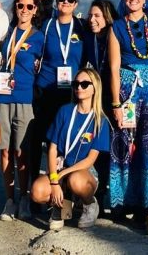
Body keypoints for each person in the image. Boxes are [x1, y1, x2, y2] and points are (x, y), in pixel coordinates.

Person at [108, 0, 148, 234]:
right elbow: (113, 67)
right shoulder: (117, 27)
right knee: (124, 143)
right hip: (127, 88)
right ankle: (123, 203)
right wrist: (116, 104)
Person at [30, 68, 110, 230]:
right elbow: (52, 149)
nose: (79, 87)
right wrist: (54, 180)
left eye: (85, 84)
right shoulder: (65, 111)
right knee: (37, 191)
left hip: (84, 172)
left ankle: (89, 203)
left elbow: (90, 160)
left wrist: (63, 174)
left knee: (75, 180)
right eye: (76, 84)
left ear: (95, 88)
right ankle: (62, 204)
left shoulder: (100, 121)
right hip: (61, 167)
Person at [28, 0, 86, 182]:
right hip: (45, 89)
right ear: (56, 1)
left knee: (65, 139)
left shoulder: (81, 27)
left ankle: (63, 185)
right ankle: (34, 185)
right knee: (38, 138)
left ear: (76, 4)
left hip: (71, 92)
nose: (65, 2)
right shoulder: (47, 25)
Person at [0, 0, 44, 221]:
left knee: (21, 151)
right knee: (5, 150)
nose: (24, 10)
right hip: (2, 97)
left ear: (35, 10)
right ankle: (9, 200)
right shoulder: (6, 33)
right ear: (15, 7)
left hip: (25, 98)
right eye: (20, 6)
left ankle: (24, 196)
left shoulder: (39, 37)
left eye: (29, 6)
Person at [84, 0, 118, 205]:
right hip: (96, 98)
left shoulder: (115, 35)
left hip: (113, 97)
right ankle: (99, 190)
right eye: (90, 15)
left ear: (107, 17)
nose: (92, 20)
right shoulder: (89, 37)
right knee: (98, 146)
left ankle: (116, 193)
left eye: (97, 16)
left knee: (114, 147)